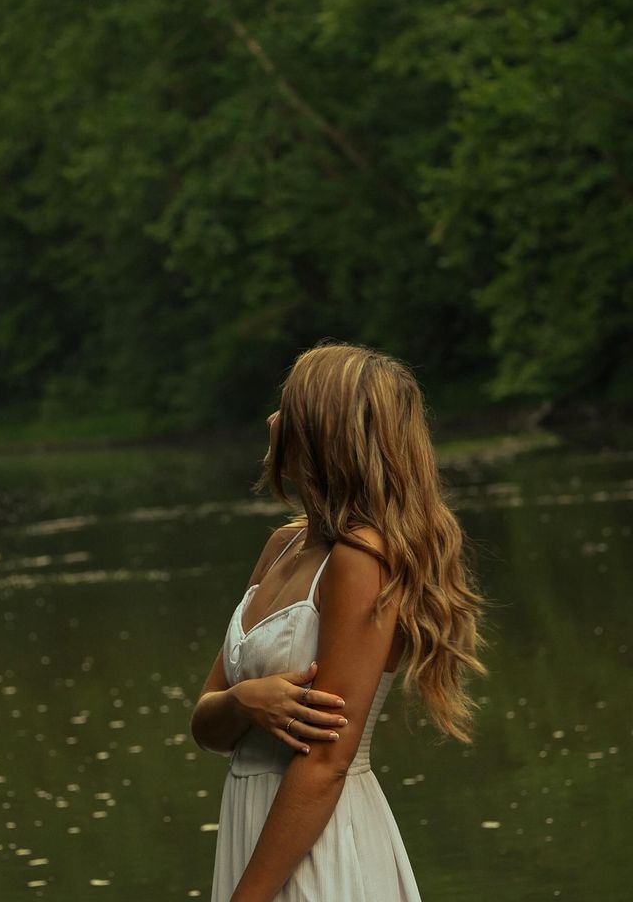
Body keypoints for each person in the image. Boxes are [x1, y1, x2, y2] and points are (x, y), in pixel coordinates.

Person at [190, 340, 490, 901]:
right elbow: (206, 726)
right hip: (252, 825)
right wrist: (242, 700)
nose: (272, 419)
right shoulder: (281, 545)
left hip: (316, 840)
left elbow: (328, 761)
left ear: (326, 431)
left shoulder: (361, 559)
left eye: (289, 407)